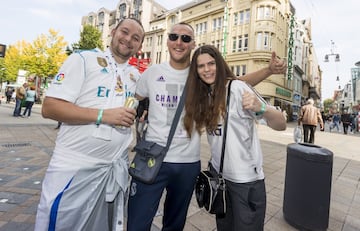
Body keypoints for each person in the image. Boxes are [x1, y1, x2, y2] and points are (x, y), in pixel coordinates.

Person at [127, 22, 287, 231]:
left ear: (192, 43)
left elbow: (233, 83)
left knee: (175, 224)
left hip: (189, 164)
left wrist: (267, 73)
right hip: (155, 160)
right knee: (137, 223)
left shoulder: (198, 79)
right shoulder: (152, 72)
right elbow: (133, 98)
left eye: (185, 38)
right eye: (174, 36)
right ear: (167, 40)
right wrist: (117, 115)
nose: (179, 42)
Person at [34, 18, 145, 231]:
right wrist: (103, 115)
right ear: (113, 32)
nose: (128, 39)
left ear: (139, 46)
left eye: (136, 38)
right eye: (124, 32)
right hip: (74, 169)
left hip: (111, 171)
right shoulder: (83, 59)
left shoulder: (135, 76)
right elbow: (50, 107)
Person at [183, 44, 286, 231]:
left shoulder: (238, 88)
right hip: (219, 179)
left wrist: (261, 108)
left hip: (246, 183)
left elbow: (281, 123)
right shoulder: (205, 95)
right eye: (201, 66)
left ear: (220, 64)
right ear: (196, 71)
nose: (207, 70)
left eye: (211, 63)